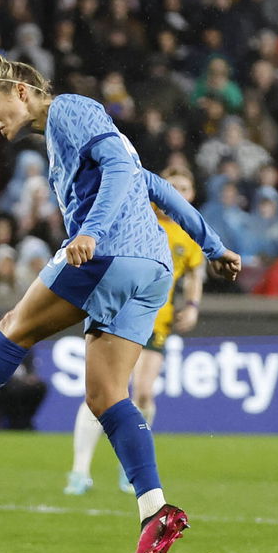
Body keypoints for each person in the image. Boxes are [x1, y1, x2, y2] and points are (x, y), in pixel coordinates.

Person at [0, 51, 241, 553]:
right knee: (106, 394)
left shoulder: (70, 110)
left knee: (12, 329)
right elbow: (153, 184)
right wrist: (212, 244)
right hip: (153, 270)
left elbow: (117, 171)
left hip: (109, 252)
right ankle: (155, 509)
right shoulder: (68, 131)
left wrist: (91, 231)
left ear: (23, 92)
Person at [67, 166, 207, 496]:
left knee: (142, 394)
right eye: (172, 186)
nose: (178, 192)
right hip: (119, 315)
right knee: (102, 392)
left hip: (156, 324)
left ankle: (128, 464)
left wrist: (193, 306)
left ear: (192, 195)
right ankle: (79, 471)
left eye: (184, 187)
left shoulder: (189, 235)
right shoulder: (140, 219)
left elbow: (195, 277)